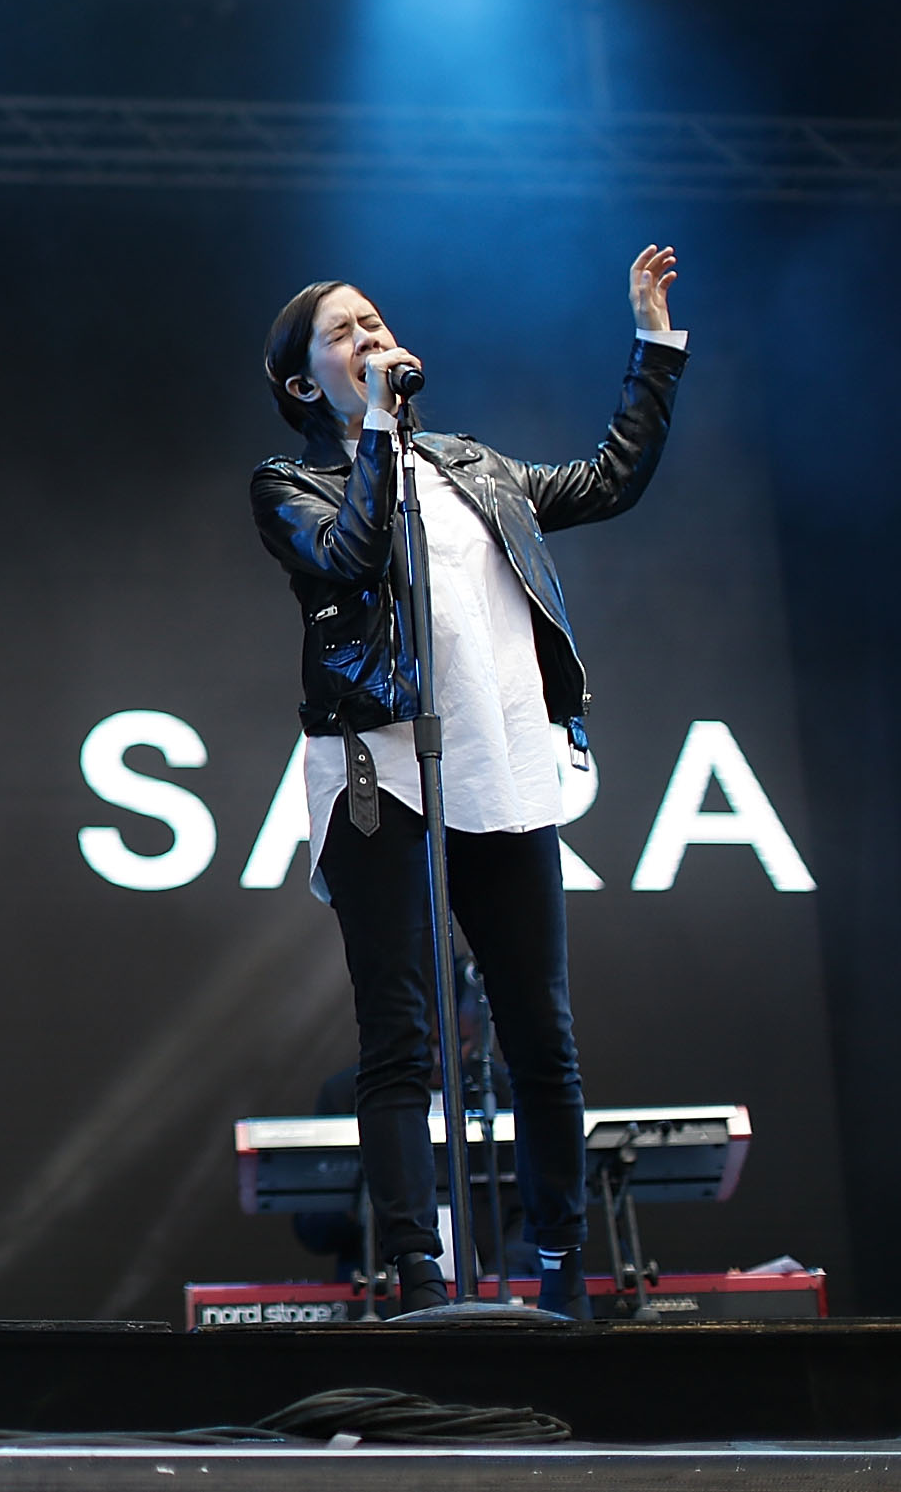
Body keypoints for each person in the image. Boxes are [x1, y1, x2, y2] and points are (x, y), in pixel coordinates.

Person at [252, 248, 684, 1320]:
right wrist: (377, 431)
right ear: (305, 381)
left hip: (497, 752)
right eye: (344, 332)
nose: (370, 336)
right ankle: (416, 1276)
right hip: (378, 765)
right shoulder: (290, 485)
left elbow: (609, 480)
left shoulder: (473, 467)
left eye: (374, 320)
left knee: (542, 1030)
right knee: (400, 1032)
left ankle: (559, 1266)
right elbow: (352, 557)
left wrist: (654, 343)